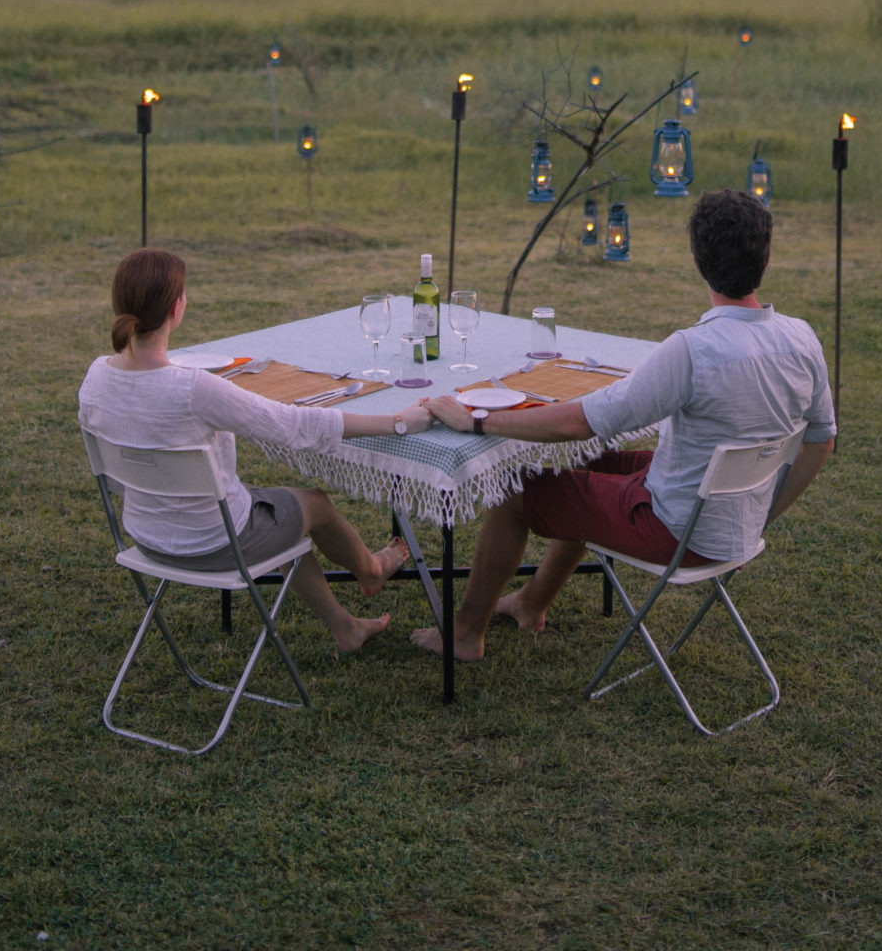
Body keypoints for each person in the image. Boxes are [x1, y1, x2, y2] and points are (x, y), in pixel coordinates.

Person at [412, 187, 835, 662]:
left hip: (676, 528)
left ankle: (466, 633)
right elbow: (821, 441)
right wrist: (761, 512)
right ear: (767, 255)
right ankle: (532, 603)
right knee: (588, 462)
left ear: (697, 258)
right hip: (729, 518)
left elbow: (581, 422)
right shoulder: (803, 339)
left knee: (514, 489)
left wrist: (479, 420)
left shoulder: (693, 349)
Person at [79, 248, 432, 655]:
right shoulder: (193, 389)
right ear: (178, 308)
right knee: (312, 504)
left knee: (280, 511)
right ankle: (372, 569)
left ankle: (346, 626)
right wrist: (397, 421)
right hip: (215, 543)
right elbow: (296, 427)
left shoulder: (96, 376)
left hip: (146, 537)